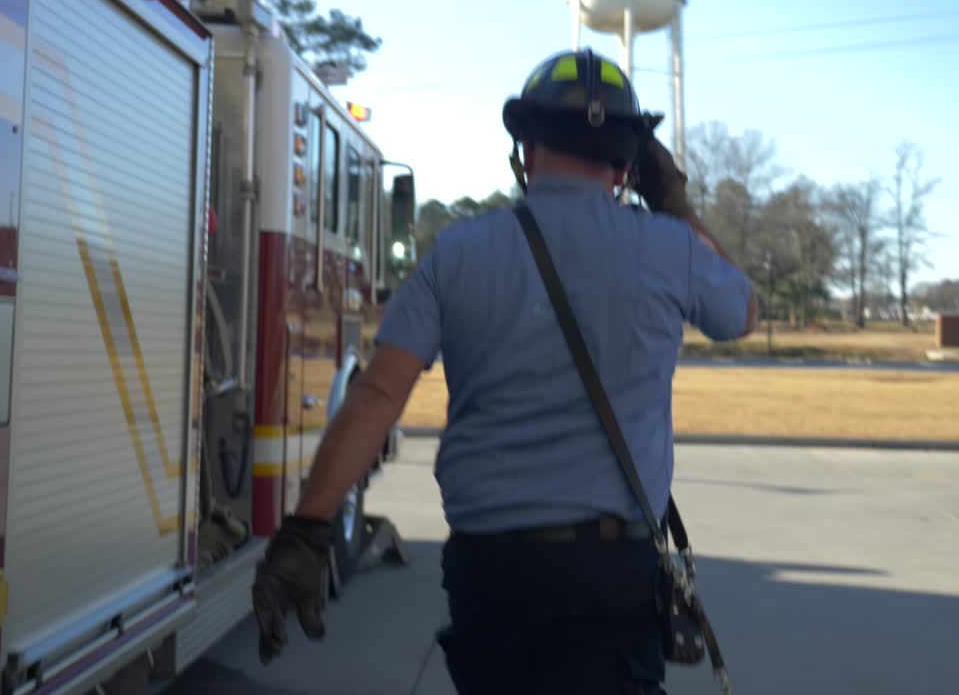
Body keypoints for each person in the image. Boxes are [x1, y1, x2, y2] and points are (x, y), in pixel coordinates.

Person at [250, 48, 756, 694]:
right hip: (611, 569)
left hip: (491, 568)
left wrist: (306, 528)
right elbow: (741, 311)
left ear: (526, 147)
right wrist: (676, 204)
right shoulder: (670, 245)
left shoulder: (459, 251)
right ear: (630, 163)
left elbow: (379, 392)